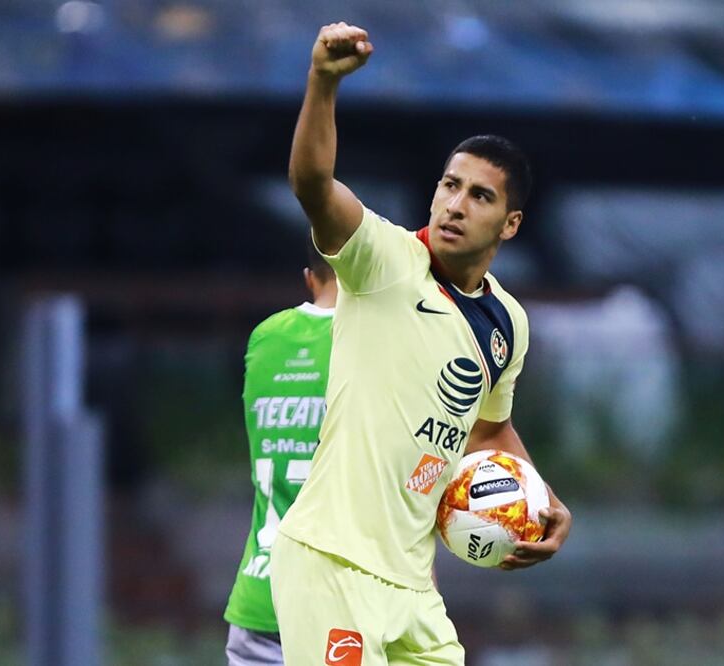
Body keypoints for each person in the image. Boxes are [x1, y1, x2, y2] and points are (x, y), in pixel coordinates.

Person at [270, 22, 573, 665]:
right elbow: (313, 184)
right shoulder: (382, 260)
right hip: (333, 564)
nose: (456, 205)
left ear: (510, 224)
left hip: (413, 585)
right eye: (449, 185)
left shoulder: (507, 322)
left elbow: (489, 430)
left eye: (480, 196)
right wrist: (323, 82)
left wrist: (540, 498)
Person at [223, 245, 338, 665]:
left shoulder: (265, 338)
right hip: (340, 609)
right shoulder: (373, 344)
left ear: (309, 277)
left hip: (259, 597)